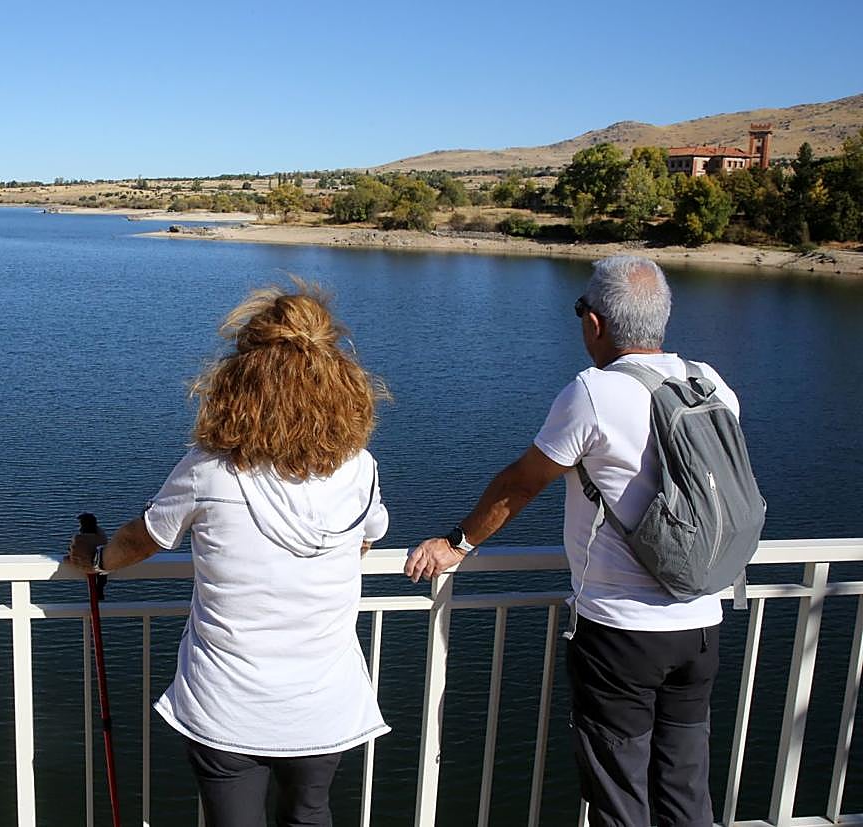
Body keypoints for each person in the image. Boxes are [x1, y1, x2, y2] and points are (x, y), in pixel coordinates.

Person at [405, 256, 737, 827]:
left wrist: (456, 542)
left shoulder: (595, 391)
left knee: (618, 791)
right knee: (685, 785)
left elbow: (522, 483)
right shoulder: (709, 382)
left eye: (581, 309)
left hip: (621, 632)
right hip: (703, 621)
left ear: (596, 324)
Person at [69, 282, 391, 827]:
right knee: (310, 814)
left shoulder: (210, 470)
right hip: (324, 700)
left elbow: (139, 541)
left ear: (240, 382)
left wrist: (94, 558)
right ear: (339, 382)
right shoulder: (359, 467)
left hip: (228, 703)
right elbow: (369, 532)